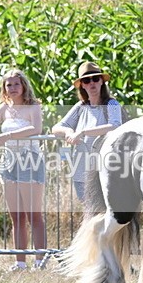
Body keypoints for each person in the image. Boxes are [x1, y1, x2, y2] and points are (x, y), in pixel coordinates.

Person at [0, 68, 47, 271]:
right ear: (4, 88)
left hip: (29, 160)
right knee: (16, 215)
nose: (13, 88)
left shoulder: (33, 107)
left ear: (24, 85)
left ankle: (40, 260)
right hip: (9, 162)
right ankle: (20, 262)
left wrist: (6, 136)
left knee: (33, 214)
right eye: (9, 85)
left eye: (16, 84)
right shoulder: (4, 108)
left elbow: (36, 129)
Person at [52, 62, 123, 202]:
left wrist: (83, 132)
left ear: (102, 81)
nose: (92, 83)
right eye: (86, 80)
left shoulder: (112, 104)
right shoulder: (80, 107)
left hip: (104, 170)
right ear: (82, 85)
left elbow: (115, 125)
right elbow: (56, 128)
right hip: (81, 170)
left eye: (96, 79)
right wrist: (68, 132)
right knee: (88, 213)